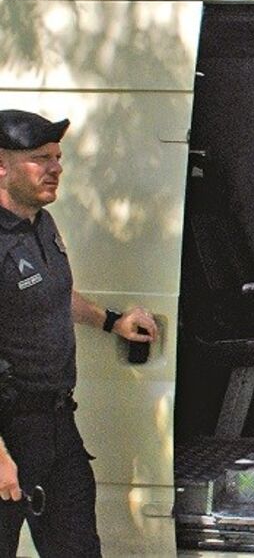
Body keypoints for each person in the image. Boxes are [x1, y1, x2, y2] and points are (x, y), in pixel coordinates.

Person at [0, 109, 159, 556]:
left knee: (77, 548)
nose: (56, 168)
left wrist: (110, 320)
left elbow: (53, 293)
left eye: (57, 157)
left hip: (54, 426)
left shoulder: (39, 223)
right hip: (7, 433)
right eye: (39, 158)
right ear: (1, 166)